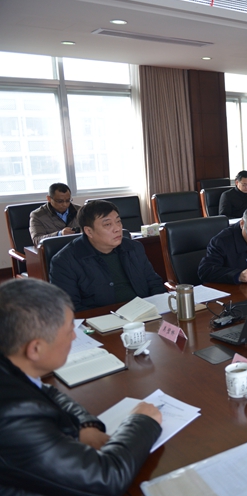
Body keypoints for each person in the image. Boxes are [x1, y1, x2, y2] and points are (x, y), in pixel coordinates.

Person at [0, 278, 162, 495]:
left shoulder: (12, 369)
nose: (75, 336)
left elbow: (46, 391)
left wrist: (85, 425)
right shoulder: (13, 417)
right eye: (69, 331)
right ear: (35, 349)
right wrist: (142, 421)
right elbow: (107, 477)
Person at [49, 200, 166, 312]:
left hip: (144, 313)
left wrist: (160, 308)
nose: (117, 228)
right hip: (99, 319)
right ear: (89, 231)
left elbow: (154, 283)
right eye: (107, 224)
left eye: (118, 221)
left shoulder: (134, 248)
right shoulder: (65, 261)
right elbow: (70, 307)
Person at [29, 182, 82, 247]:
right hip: (55, 249)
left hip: (78, 247)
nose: (65, 204)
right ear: (49, 199)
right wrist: (59, 234)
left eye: (68, 200)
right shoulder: (38, 215)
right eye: (60, 201)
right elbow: (37, 240)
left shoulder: (80, 210)